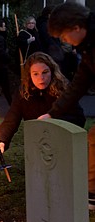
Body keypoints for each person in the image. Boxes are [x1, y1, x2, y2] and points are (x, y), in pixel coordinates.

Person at [36, 2, 95, 210]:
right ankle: (91, 193)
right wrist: (52, 114)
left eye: (63, 36)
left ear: (76, 28)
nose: (64, 41)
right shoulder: (88, 49)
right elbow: (78, 85)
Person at [0, 52, 85, 162]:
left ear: (52, 71)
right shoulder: (23, 93)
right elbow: (11, 119)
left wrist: (53, 121)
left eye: (45, 72)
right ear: (29, 75)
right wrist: (2, 141)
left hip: (62, 142)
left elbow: (78, 119)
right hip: (37, 144)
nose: (41, 78)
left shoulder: (63, 90)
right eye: (35, 74)